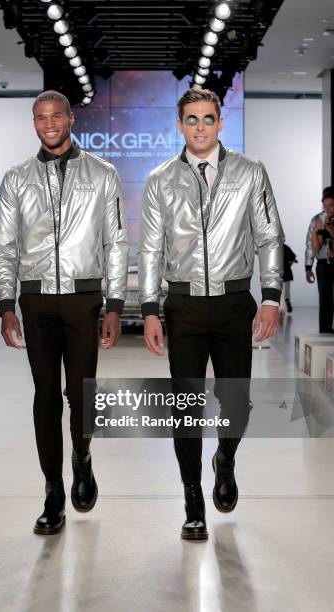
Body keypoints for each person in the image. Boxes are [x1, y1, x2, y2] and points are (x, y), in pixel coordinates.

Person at [138, 87, 284, 541]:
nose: (200, 127)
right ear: (179, 125)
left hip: (234, 301)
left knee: (236, 403)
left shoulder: (250, 172)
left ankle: (225, 458)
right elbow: (150, 249)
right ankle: (192, 501)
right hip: (182, 305)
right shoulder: (161, 179)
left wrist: (271, 296)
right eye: (191, 119)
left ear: (221, 123)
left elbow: (268, 236)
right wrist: (148, 310)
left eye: (207, 118)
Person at [0, 90, 128, 535]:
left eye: (55, 115)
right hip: (36, 299)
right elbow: (3, 245)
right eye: (39, 117)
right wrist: (5, 304)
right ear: (34, 122)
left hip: (84, 298)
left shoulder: (103, 173)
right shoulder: (16, 179)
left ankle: (82, 457)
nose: (48, 123)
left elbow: (116, 243)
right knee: (45, 395)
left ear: (70, 118)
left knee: (81, 394)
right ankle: (53, 490)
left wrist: (115, 304)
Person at [305, 187, 334, 332]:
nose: (327, 208)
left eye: (331, 205)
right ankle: (325, 331)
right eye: (325, 205)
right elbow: (311, 246)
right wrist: (308, 267)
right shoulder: (317, 219)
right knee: (325, 301)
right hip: (323, 265)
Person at [280, 243, 297, 314]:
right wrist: (289, 264)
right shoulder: (286, 247)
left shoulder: (274, 247)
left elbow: (293, 259)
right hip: (286, 272)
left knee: (282, 291)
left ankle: (282, 308)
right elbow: (293, 258)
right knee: (285, 290)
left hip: (281, 272)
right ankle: (286, 302)